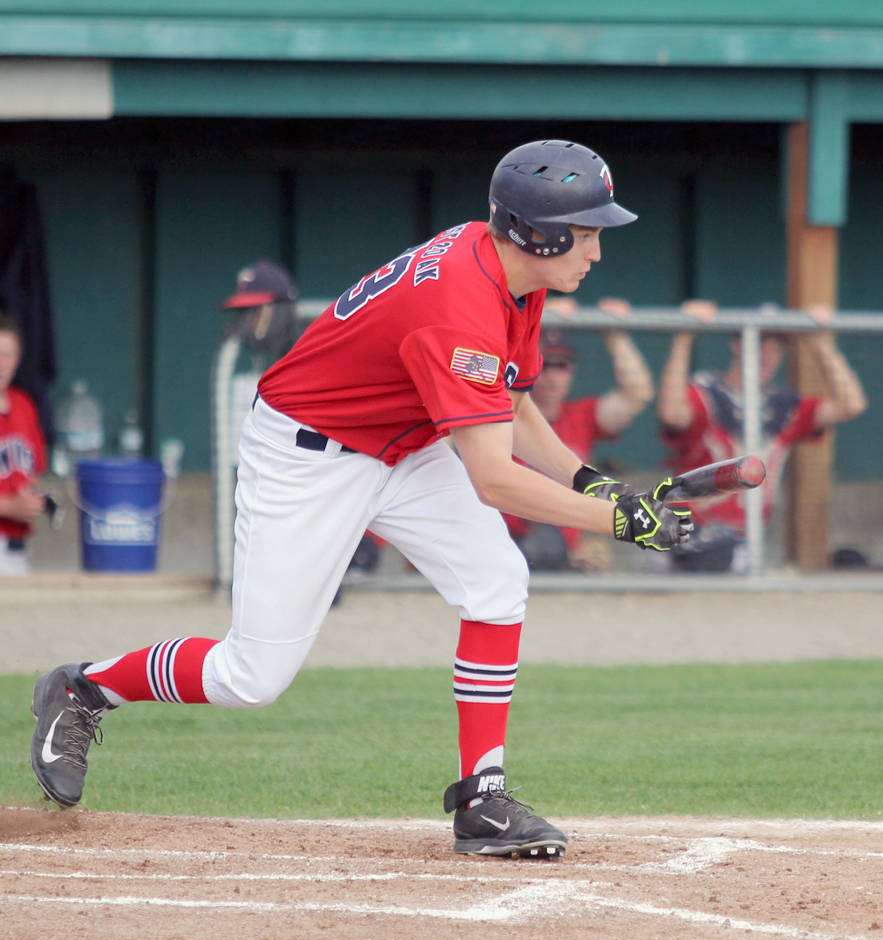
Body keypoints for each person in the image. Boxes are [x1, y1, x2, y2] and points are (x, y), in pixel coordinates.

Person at [27, 139, 692, 860]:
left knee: (497, 582)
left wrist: (588, 482)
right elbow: (493, 478)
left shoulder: (513, 275)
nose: (596, 250)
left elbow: (511, 401)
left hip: (405, 445)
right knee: (251, 676)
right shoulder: (460, 301)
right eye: (587, 233)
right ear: (539, 233)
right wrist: (620, 519)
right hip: (310, 453)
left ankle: (482, 798)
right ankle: (85, 688)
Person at [655, 301, 867, 572]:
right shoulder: (705, 392)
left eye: (776, 348)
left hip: (742, 543)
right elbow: (672, 413)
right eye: (761, 344)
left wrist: (820, 342)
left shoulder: (785, 406)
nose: (768, 356)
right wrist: (683, 337)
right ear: (737, 345)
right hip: (682, 531)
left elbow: (851, 405)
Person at [503, 304, 654, 571]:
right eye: (544, 363)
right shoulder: (500, 409)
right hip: (505, 545)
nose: (551, 375)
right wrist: (539, 312)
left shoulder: (580, 415)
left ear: (572, 369)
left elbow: (637, 394)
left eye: (561, 365)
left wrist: (613, 332)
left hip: (565, 556)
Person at [0, 311, 48, 576]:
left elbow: (33, 472)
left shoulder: (24, 406)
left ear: (17, 360)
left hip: (16, 551)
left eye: (7, 354)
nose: (1, 363)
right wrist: (9, 507)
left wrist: (33, 500)